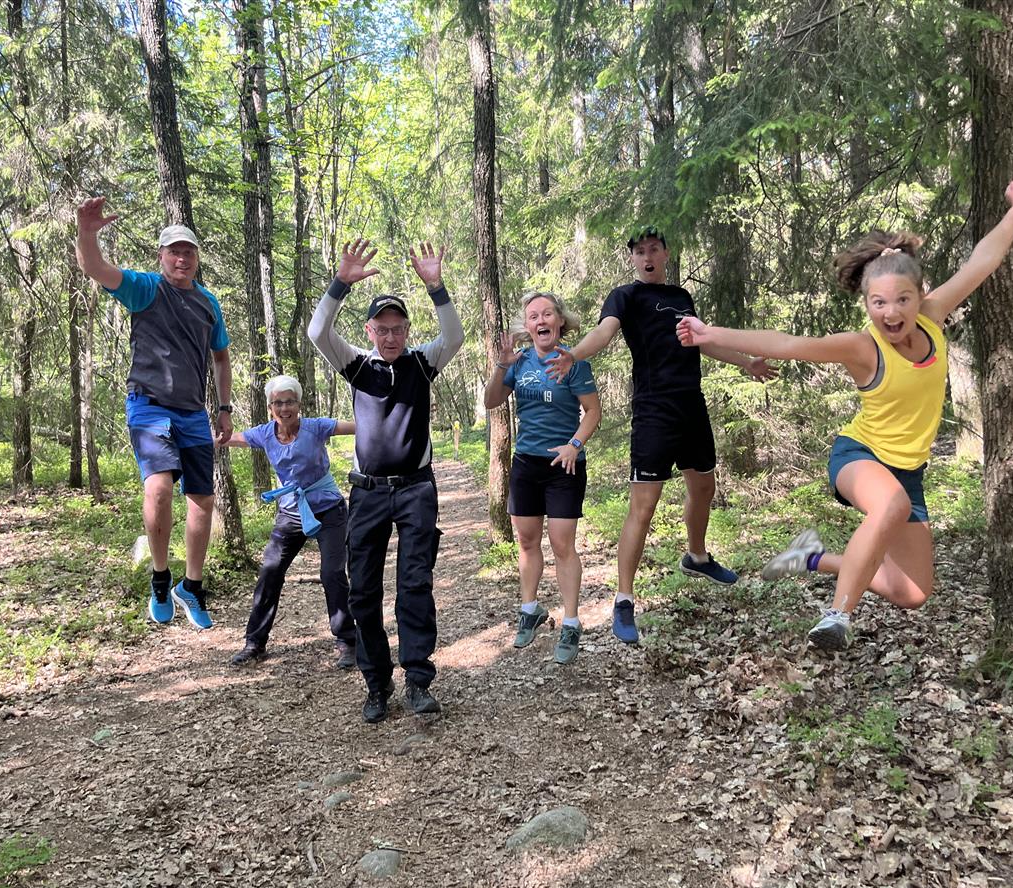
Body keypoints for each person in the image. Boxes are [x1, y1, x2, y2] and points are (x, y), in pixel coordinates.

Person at [677, 181, 1013, 650]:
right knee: (890, 505)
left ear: (919, 294)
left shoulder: (934, 314)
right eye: (878, 302)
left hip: (908, 474)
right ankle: (838, 614)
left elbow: (982, 261)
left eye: (902, 299)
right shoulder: (862, 347)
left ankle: (811, 556)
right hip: (859, 457)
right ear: (865, 302)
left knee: (914, 592)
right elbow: (788, 344)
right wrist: (710, 333)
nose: (890, 312)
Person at [546, 226, 775, 644]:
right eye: (639, 251)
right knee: (644, 506)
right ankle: (623, 599)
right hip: (653, 411)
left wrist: (747, 364)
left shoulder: (682, 298)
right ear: (632, 258)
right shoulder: (625, 296)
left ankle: (697, 556)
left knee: (704, 487)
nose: (646, 256)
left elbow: (701, 343)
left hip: (692, 405)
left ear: (666, 254)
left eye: (653, 249)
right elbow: (605, 332)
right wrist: (574, 354)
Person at [308, 239, 464, 723]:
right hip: (368, 494)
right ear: (370, 330)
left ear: (407, 330)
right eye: (383, 329)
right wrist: (340, 283)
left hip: (416, 488)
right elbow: (318, 331)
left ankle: (417, 680)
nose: (391, 337)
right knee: (363, 592)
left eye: (398, 329)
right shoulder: (358, 366)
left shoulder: (423, 363)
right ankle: (377, 684)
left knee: (415, 584)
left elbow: (454, 336)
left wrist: (435, 285)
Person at [75, 197, 232, 630]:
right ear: (161, 256)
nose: (182, 257)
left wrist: (223, 407)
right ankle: (161, 578)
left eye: (189, 251)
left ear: (197, 258)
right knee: (159, 489)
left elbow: (221, 357)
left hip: (193, 413)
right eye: (174, 251)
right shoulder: (146, 288)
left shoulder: (208, 304)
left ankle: (192, 587)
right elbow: (96, 268)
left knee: (202, 500)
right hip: (148, 405)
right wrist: (88, 234)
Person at [483, 292, 602, 664]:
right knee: (527, 539)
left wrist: (574, 444)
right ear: (528, 326)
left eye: (547, 313)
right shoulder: (518, 362)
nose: (540, 320)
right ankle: (530, 609)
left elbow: (593, 411)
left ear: (559, 321)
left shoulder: (572, 362)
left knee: (562, 543)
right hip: (526, 465)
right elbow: (490, 402)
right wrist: (502, 366)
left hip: (563, 464)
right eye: (533, 316)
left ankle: (570, 623)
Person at [224, 375, 357, 669]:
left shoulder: (315, 427)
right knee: (270, 571)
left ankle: (348, 640)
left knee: (332, 572)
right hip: (291, 513)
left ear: (299, 403)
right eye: (278, 403)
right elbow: (226, 439)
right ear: (270, 406)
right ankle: (254, 644)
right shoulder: (264, 434)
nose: (284, 408)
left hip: (328, 510)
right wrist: (189, 437)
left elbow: (360, 426)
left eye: (290, 401)